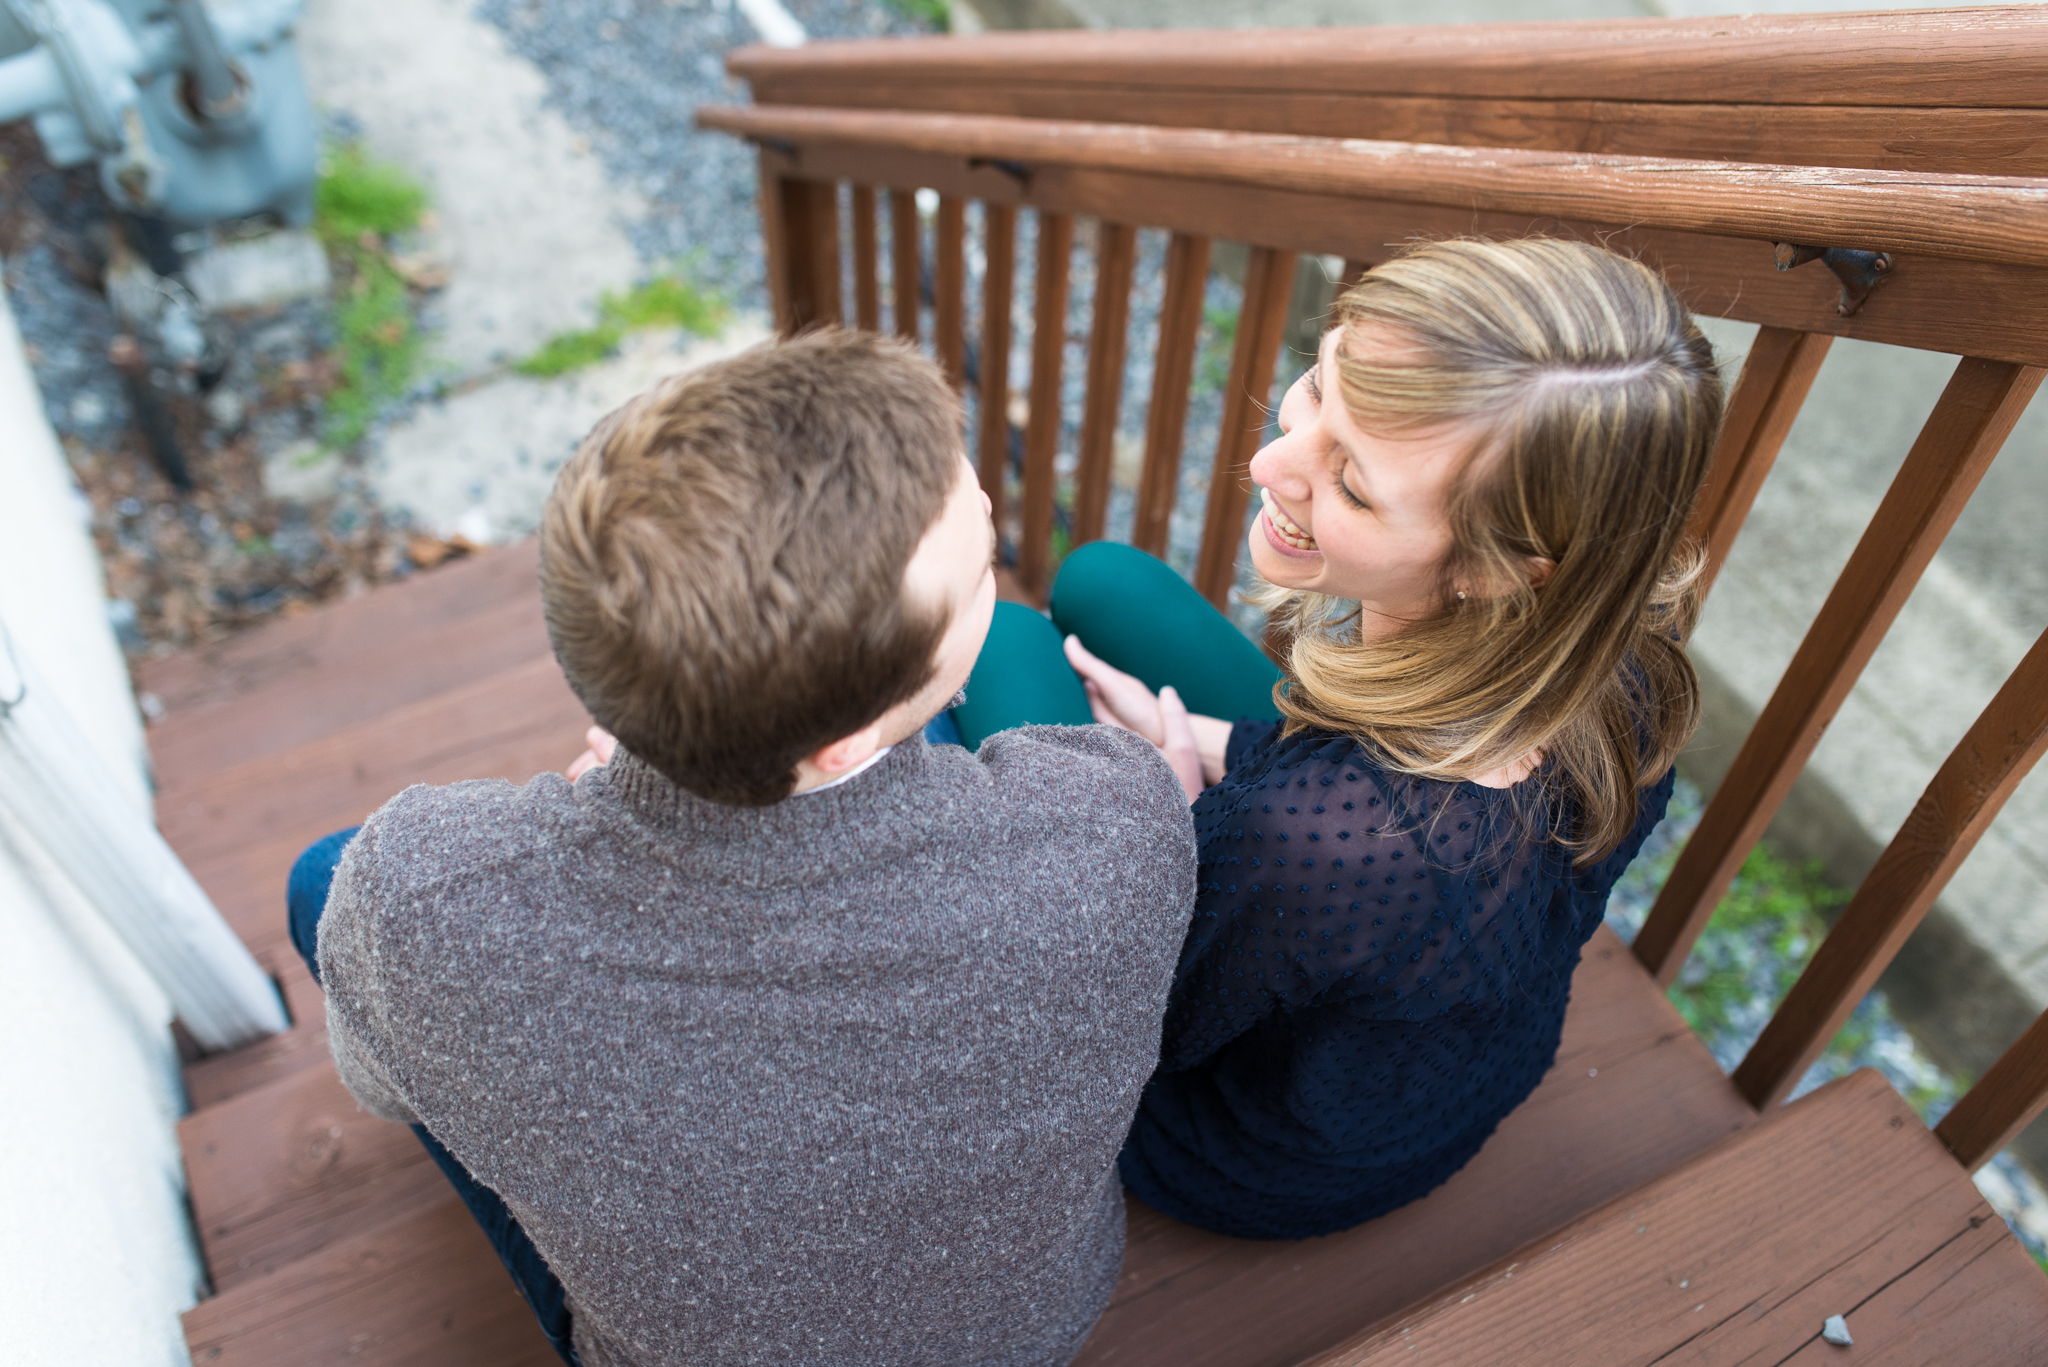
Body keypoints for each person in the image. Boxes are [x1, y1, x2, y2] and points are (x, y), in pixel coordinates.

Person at [288, 329, 1198, 1365]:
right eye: (981, 566)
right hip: (1028, 1335)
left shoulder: (417, 898)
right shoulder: (1113, 822)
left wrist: (558, 871)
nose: (994, 577)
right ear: (841, 738)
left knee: (320, 876)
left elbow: (385, 1086)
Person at [941, 237, 1723, 1240]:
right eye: (1315, 385)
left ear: (1493, 569)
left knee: (1004, 634)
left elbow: (1136, 1029)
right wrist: (1214, 744)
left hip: (1249, 1148)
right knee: (1101, 580)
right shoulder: (1625, 661)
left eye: (1350, 483)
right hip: (1436, 1061)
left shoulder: (1311, 842)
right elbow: (1359, 800)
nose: (1269, 461)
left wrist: (1164, 810)